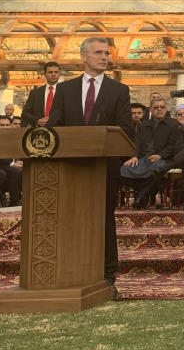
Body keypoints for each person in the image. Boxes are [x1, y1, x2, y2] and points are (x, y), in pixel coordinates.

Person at [48, 37, 132, 291]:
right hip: (70, 167)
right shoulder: (65, 90)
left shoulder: (119, 90)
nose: (104, 57)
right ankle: (71, 272)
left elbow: (125, 129)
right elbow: (54, 127)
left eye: (106, 53)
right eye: (98, 53)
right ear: (83, 57)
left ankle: (107, 277)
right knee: (70, 219)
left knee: (104, 220)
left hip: (103, 168)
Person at [121, 96, 182, 209]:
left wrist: (160, 155)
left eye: (162, 107)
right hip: (144, 158)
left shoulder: (173, 125)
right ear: (151, 110)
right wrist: (134, 156)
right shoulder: (143, 125)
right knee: (124, 169)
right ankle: (146, 195)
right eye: (156, 107)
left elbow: (172, 146)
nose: (159, 109)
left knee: (155, 171)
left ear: (166, 109)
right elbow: (137, 143)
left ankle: (141, 197)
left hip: (164, 159)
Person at [0, 116, 23, 206]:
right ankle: (14, 202)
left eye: (7, 125)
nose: (5, 127)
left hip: (17, 165)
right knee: (15, 172)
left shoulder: (16, 137)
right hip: (0, 165)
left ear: (10, 126)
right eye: (2, 125)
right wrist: (12, 164)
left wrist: (23, 162)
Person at [21, 61, 61, 127]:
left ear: (59, 74)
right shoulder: (35, 92)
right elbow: (25, 113)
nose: (53, 74)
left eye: (56, 72)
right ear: (45, 74)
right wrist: (37, 120)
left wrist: (52, 120)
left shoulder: (66, 92)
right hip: (39, 130)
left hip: (60, 129)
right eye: (50, 72)